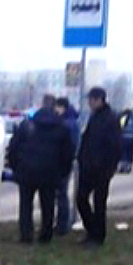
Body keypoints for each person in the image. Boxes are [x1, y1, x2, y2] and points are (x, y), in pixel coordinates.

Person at [7, 94, 73, 244]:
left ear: (41, 105)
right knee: (48, 205)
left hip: (27, 171)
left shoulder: (27, 125)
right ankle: (46, 235)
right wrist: (62, 172)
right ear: (54, 106)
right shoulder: (62, 127)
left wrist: (16, 168)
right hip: (50, 172)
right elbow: (67, 153)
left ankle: (26, 235)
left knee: (25, 205)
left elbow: (13, 148)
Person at [76, 87, 122, 246]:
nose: (89, 102)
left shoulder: (111, 118)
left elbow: (115, 146)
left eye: (91, 99)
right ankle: (91, 230)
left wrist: (109, 168)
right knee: (81, 198)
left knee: (99, 203)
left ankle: (98, 237)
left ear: (100, 99)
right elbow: (88, 140)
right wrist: (81, 158)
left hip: (102, 169)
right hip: (88, 167)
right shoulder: (94, 117)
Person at [54, 97, 80, 235]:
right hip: (67, 161)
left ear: (62, 107)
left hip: (64, 162)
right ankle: (63, 222)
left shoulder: (67, 123)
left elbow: (68, 144)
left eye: (57, 107)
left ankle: (62, 224)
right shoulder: (72, 121)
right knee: (61, 193)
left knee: (61, 193)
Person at [118, 108, 133, 173]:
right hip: (132, 138)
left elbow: (120, 127)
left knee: (124, 152)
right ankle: (129, 166)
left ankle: (123, 167)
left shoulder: (124, 118)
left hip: (124, 137)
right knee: (130, 152)